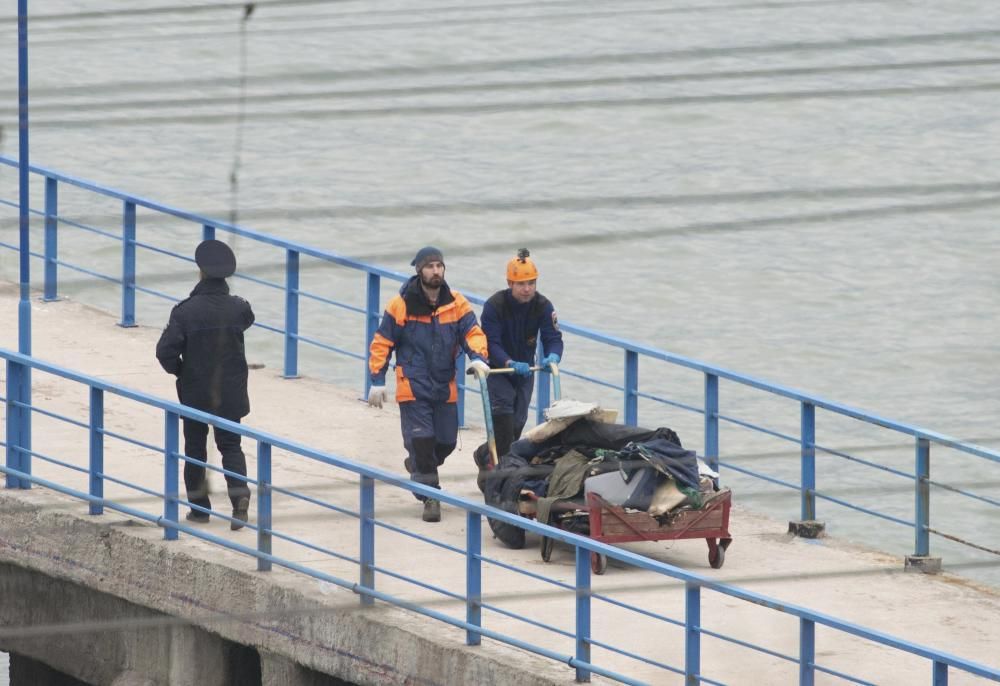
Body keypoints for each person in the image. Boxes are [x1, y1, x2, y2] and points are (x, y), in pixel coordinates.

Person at [367, 246, 489, 522]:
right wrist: (377, 379)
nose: (436, 271)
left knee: (445, 441)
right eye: (430, 266)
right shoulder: (401, 305)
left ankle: (419, 467)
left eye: (439, 266)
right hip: (413, 384)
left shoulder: (456, 303)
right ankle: (431, 496)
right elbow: (382, 342)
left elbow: (472, 331)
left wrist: (478, 357)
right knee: (422, 440)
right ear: (419, 270)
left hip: (444, 384)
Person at [155, 239, 256, 530]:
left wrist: (181, 372)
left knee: (195, 449)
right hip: (230, 393)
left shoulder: (185, 312)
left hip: (196, 391)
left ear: (200, 272)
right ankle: (240, 502)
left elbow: (165, 353)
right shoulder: (239, 309)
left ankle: (200, 509)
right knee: (231, 446)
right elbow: (248, 318)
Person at [481, 248, 563, 458]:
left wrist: (553, 355)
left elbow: (553, 338)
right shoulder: (494, 306)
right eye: (521, 284)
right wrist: (509, 362)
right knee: (504, 420)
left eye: (531, 283)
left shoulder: (543, 306)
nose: (527, 289)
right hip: (498, 369)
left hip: (526, 371)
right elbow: (491, 344)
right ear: (510, 284)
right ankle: (503, 474)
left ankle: (484, 455)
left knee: (517, 424)